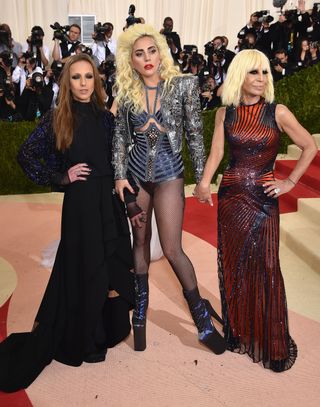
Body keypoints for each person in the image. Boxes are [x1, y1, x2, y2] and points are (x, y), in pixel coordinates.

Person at [0, 53, 134, 393]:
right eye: (76, 77)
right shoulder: (57, 118)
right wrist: (61, 176)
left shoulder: (106, 119)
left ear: (97, 81)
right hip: (81, 206)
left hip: (108, 201)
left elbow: (119, 157)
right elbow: (26, 154)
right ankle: (87, 339)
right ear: (67, 82)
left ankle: (105, 328)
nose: (84, 83)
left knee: (109, 267)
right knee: (87, 270)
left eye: (89, 77)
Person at [194, 49, 317, 372]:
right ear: (240, 76)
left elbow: (310, 146)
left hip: (263, 200)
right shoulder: (226, 114)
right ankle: (239, 332)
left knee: (265, 266)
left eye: (264, 73)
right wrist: (205, 183)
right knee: (234, 265)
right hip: (232, 197)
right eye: (253, 72)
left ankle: (273, 343)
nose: (261, 79)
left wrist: (289, 181)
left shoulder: (278, 112)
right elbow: (217, 152)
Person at [113, 23, 226, 355]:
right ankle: (141, 316)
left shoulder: (183, 87)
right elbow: (119, 140)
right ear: (130, 61)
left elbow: (194, 134)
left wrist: (204, 179)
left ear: (161, 53)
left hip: (170, 174)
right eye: (139, 53)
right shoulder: (126, 93)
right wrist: (120, 177)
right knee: (140, 242)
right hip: (136, 176)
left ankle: (202, 321)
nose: (147, 58)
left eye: (152, 50)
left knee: (174, 248)